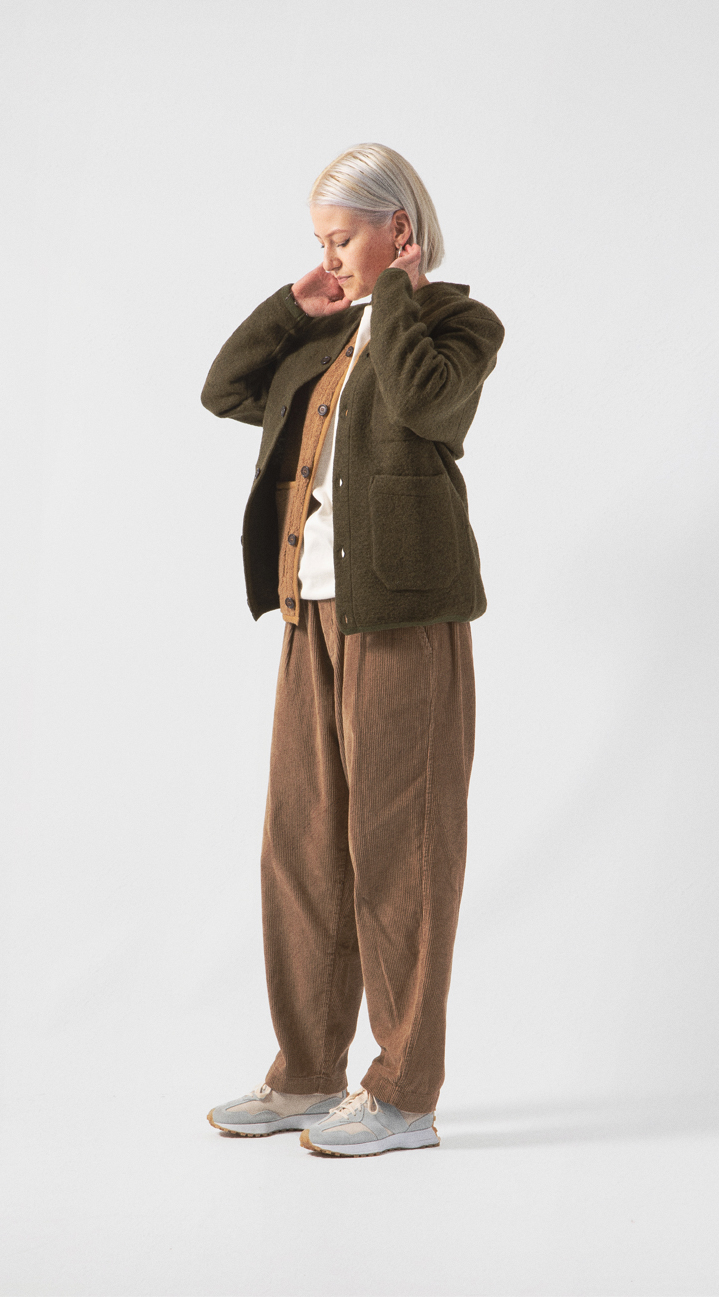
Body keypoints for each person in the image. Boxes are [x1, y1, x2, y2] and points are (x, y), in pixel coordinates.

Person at [200, 143, 505, 1157]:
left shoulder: (455, 325)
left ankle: (405, 1094)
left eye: (341, 238)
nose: (328, 256)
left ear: (397, 230)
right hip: (312, 615)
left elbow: (428, 409)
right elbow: (225, 389)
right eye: (318, 239)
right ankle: (308, 1074)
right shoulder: (326, 336)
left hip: (404, 619)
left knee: (401, 851)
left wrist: (401, 295)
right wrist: (296, 308)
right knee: (301, 848)